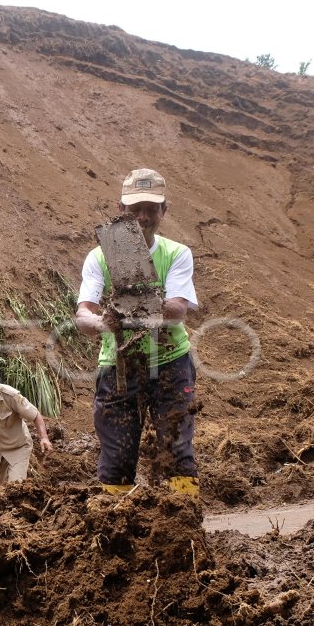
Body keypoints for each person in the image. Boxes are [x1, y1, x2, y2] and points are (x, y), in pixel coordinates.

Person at [75, 168, 200, 497]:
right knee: (116, 458)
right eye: (135, 209)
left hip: (170, 362)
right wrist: (104, 323)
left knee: (177, 454)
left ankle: (183, 527)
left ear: (164, 211)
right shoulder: (99, 256)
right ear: (121, 209)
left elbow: (176, 311)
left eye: (152, 209)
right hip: (119, 364)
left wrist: (130, 304)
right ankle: (116, 526)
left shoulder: (176, 254)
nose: (143, 217)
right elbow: (83, 316)